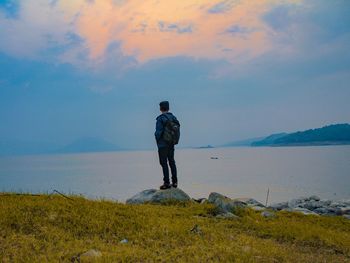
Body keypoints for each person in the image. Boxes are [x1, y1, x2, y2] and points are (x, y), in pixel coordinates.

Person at [154, 101, 179, 190]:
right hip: (171, 143)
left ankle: (167, 183)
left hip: (162, 145)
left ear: (160, 108)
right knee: (172, 162)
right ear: (168, 108)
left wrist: (157, 141)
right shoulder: (173, 117)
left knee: (164, 163)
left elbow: (158, 133)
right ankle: (175, 182)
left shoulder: (160, 119)